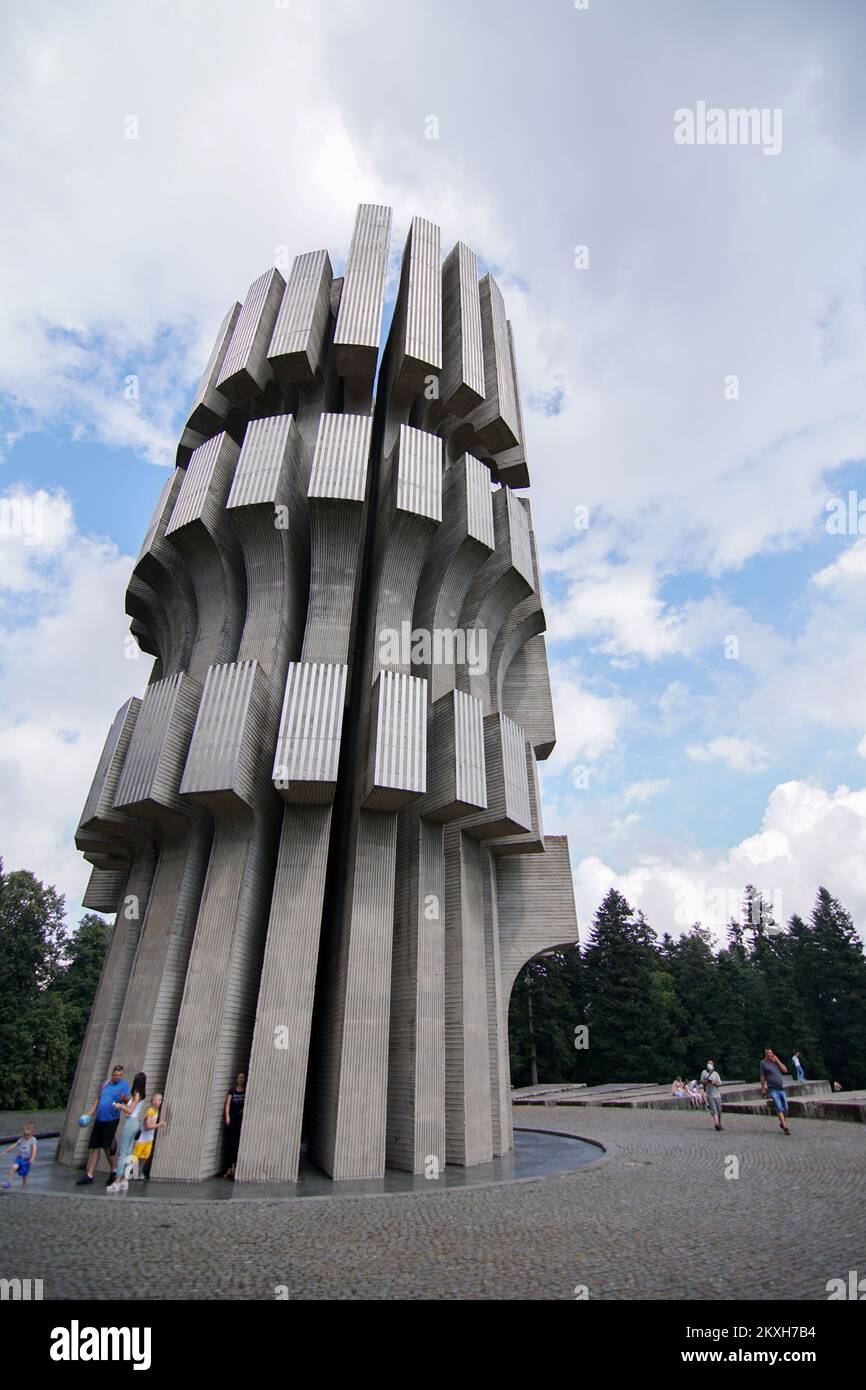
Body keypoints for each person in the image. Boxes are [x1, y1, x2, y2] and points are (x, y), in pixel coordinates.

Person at [76, 1065, 130, 1185]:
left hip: (111, 1120)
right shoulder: (106, 1084)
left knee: (107, 1147)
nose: (118, 1077)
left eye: (120, 1075)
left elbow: (128, 1101)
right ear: (112, 1074)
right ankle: (90, 1175)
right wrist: (89, 1113)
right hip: (100, 1119)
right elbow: (99, 1099)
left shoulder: (124, 1085)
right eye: (116, 1075)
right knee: (95, 1146)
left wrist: (124, 1099)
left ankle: (114, 1170)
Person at [107, 1071, 146, 1193]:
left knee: (123, 1152)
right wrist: (125, 1100)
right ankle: (125, 1180)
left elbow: (130, 1110)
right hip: (135, 1123)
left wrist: (119, 1106)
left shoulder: (137, 1093)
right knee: (130, 1152)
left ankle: (117, 1181)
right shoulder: (141, 1093)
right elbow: (132, 1103)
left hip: (130, 1122)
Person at [130, 1093, 165, 1174]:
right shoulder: (150, 1111)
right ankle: (130, 1171)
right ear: (153, 1101)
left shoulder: (156, 1111)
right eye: (159, 1100)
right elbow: (147, 1126)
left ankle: (138, 1170)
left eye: (161, 1100)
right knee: (136, 1155)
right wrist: (159, 1124)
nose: (160, 1101)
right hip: (143, 1138)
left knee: (145, 1155)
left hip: (149, 1138)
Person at [759, 1047, 791, 1135]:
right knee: (779, 1106)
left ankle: (782, 1123)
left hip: (781, 1088)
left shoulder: (775, 1062)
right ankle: (785, 1127)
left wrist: (777, 1060)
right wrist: (763, 1088)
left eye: (770, 1053)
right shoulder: (763, 1063)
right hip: (772, 1089)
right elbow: (762, 1076)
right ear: (765, 1054)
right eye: (767, 1053)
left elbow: (785, 1070)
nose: (769, 1054)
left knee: (786, 1108)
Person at [223, 1071, 247, 1178]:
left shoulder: (246, 1091)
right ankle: (229, 1168)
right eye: (239, 1077)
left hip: (239, 1120)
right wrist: (227, 1116)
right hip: (232, 1119)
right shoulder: (232, 1090)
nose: (241, 1079)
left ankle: (234, 1167)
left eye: (242, 1078)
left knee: (236, 1142)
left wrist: (242, 1110)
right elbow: (228, 1104)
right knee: (229, 1143)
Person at [2, 1122, 37, 1189]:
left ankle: (24, 1187)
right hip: (19, 1158)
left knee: (24, 1174)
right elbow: (14, 1145)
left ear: (32, 1134)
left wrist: (32, 1158)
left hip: (27, 1160)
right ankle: (9, 1182)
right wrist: (6, 1151)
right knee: (13, 1167)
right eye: (24, 1134)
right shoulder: (21, 1139)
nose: (26, 1136)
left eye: (28, 1135)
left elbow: (34, 1149)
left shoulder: (33, 1140)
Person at [700, 1059, 724, 1131]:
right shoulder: (704, 1072)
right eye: (708, 1063)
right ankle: (716, 1124)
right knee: (714, 1110)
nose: (709, 1064)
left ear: (713, 1065)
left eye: (710, 1063)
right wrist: (706, 1082)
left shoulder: (716, 1073)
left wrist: (714, 1083)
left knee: (719, 1110)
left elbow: (720, 1083)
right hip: (709, 1095)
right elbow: (701, 1081)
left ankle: (719, 1123)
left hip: (717, 1094)